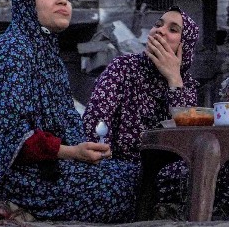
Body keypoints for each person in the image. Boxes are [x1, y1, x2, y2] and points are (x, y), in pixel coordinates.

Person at [0, 0, 138, 222]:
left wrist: (84, 152)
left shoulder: (48, 56)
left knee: (134, 174)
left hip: (49, 167)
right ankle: (12, 207)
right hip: (15, 177)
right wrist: (73, 153)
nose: (62, 1)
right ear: (27, 5)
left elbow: (65, 123)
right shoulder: (13, 51)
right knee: (119, 190)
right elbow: (10, 137)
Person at [82, 8, 202, 162]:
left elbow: (186, 142)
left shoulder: (186, 84)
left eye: (173, 30)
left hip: (168, 171)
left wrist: (174, 80)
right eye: (158, 25)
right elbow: (95, 124)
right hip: (120, 167)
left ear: (184, 47)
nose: (160, 31)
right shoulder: (123, 68)